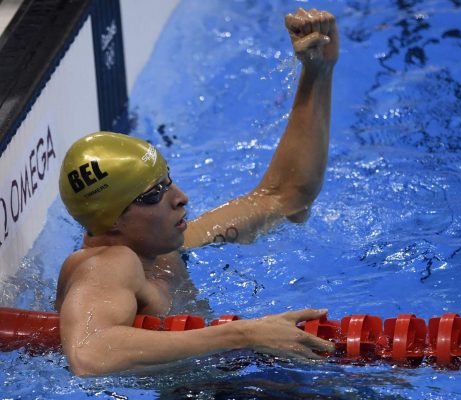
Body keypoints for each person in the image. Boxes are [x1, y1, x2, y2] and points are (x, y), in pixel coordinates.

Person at [54, 8, 338, 376]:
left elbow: (286, 195)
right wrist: (243, 334)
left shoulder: (162, 250)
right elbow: (89, 353)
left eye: (167, 180)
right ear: (111, 222)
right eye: (154, 194)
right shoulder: (107, 265)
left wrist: (318, 72)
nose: (180, 197)